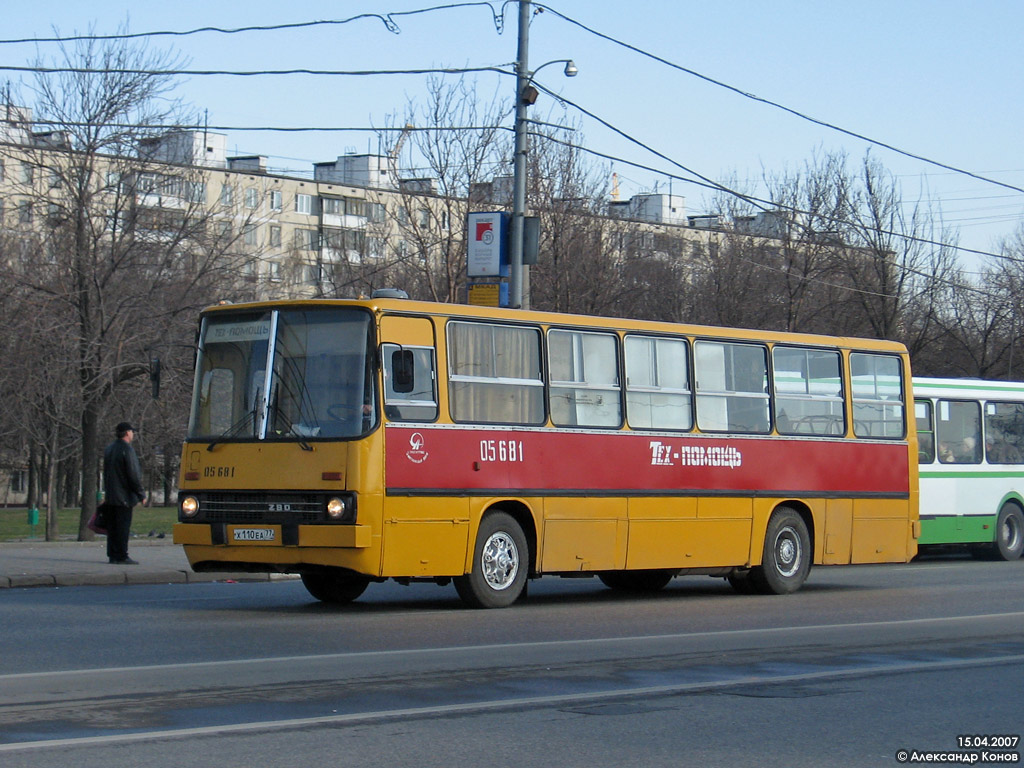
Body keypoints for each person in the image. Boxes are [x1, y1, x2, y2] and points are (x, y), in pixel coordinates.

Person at [103, 421, 146, 564]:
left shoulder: (109, 449)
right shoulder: (127, 450)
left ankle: (113, 554)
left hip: (111, 496)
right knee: (122, 528)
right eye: (132, 432)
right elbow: (133, 474)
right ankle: (122, 555)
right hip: (124, 497)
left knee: (113, 528)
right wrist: (141, 494)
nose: (133, 434)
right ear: (128, 433)